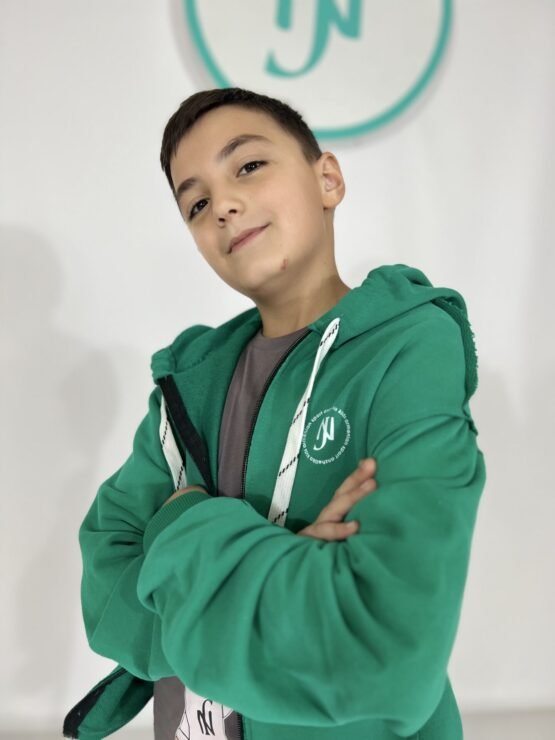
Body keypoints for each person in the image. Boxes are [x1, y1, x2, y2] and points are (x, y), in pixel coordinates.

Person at [64, 87, 486, 740]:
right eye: (196, 203)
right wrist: (294, 562)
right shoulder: (188, 383)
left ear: (327, 179)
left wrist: (182, 521)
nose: (223, 205)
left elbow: (384, 647)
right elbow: (107, 597)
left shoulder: (408, 346)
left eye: (249, 165)